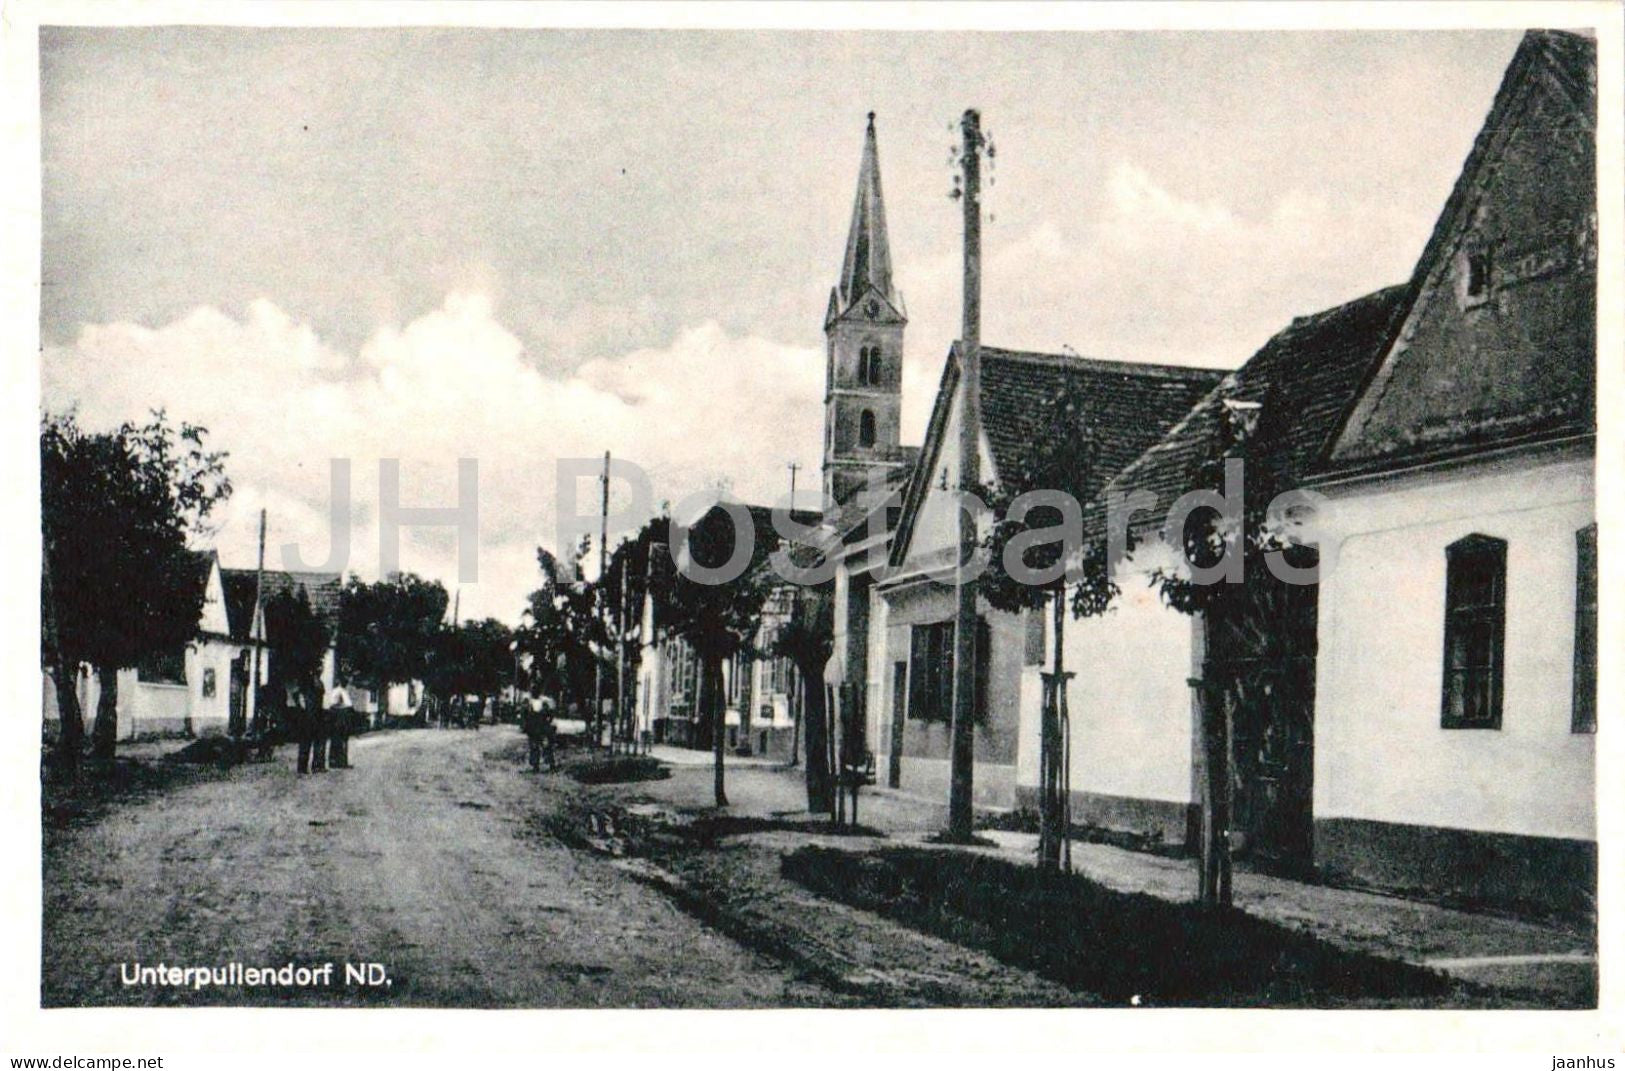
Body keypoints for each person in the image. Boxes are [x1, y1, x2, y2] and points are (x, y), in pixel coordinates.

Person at [326, 683, 353, 769]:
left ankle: (338, 761)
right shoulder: (339, 691)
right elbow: (336, 704)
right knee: (340, 740)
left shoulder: (341, 691)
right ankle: (339, 762)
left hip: (340, 716)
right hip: (339, 716)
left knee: (339, 740)